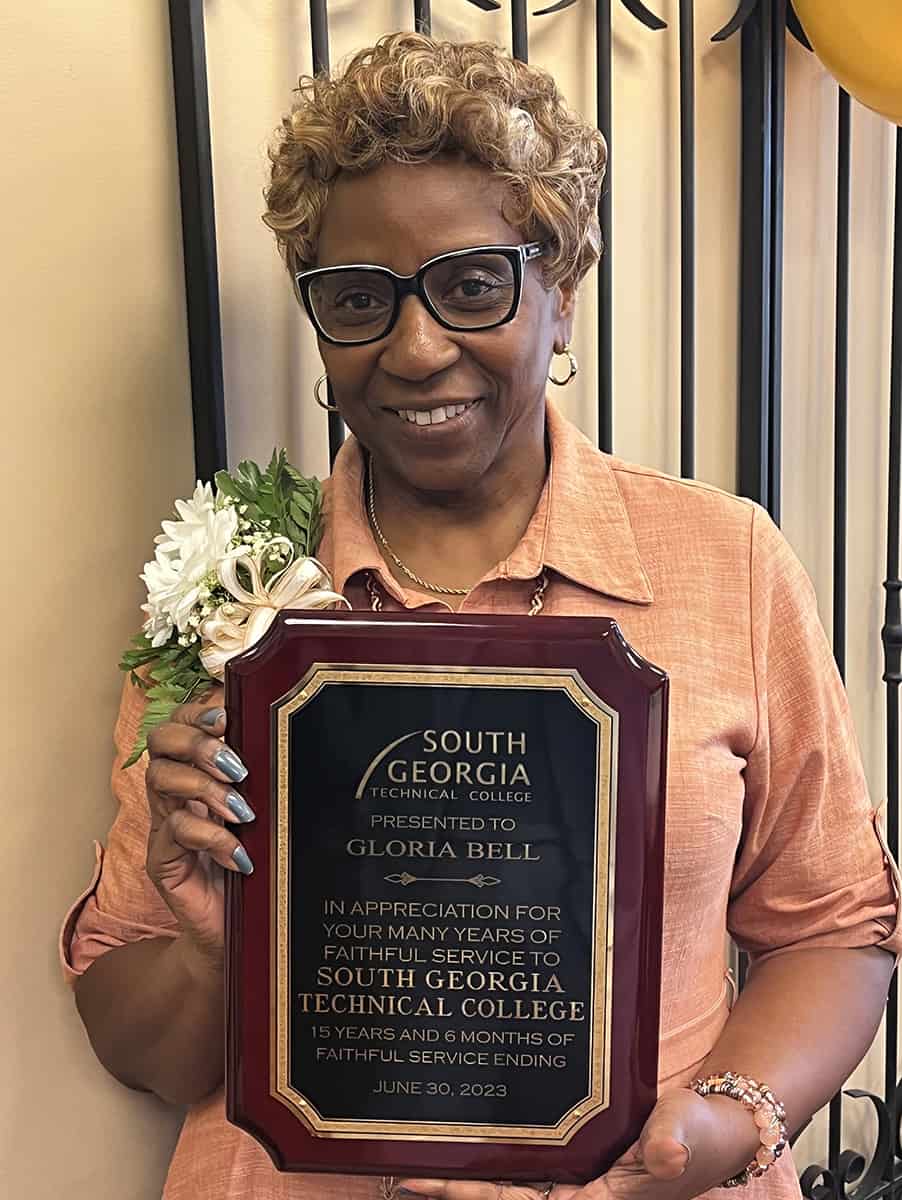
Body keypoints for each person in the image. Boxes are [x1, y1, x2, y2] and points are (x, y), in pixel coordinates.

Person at [63, 32, 900, 1200]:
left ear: (560, 299)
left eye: (470, 286)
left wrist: (714, 1132)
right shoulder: (230, 601)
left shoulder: (727, 564)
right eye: (359, 299)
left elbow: (831, 928)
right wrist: (218, 951)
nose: (415, 349)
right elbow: (140, 1041)